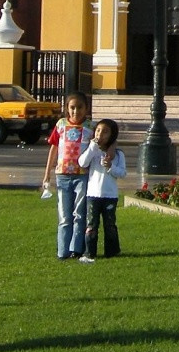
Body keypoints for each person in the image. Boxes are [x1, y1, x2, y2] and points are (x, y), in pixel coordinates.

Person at [42, 92, 94, 258]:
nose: (75, 111)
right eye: (72, 107)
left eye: (80, 107)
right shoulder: (61, 125)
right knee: (64, 215)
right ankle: (62, 251)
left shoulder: (90, 128)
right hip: (62, 175)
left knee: (79, 214)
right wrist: (47, 173)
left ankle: (76, 249)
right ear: (67, 109)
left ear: (86, 109)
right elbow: (54, 148)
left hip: (82, 175)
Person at [78, 119, 126, 261]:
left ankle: (112, 251)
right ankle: (89, 252)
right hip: (93, 195)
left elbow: (122, 173)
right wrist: (93, 147)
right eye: (98, 130)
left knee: (110, 224)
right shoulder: (93, 151)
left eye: (105, 132)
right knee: (91, 224)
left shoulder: (118, 154)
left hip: (110, 195)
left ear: (112, 135)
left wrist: (111, 166)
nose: (101, 134)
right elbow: (82, 162)